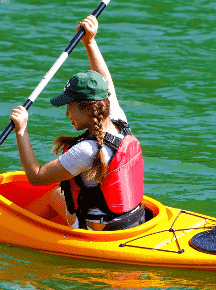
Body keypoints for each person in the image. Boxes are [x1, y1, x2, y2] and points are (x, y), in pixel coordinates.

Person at [9, 15, 146, 231]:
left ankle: (15, 229)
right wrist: (90, 41)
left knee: (51, 195)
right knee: (58, 192)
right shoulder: (118, 119)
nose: (66, 112)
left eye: (68, 105)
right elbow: (105, 81)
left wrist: (21, 130)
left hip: (98, 231)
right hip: (134, 220)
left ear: (85, 107)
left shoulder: (86, 150)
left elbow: (35, 176)